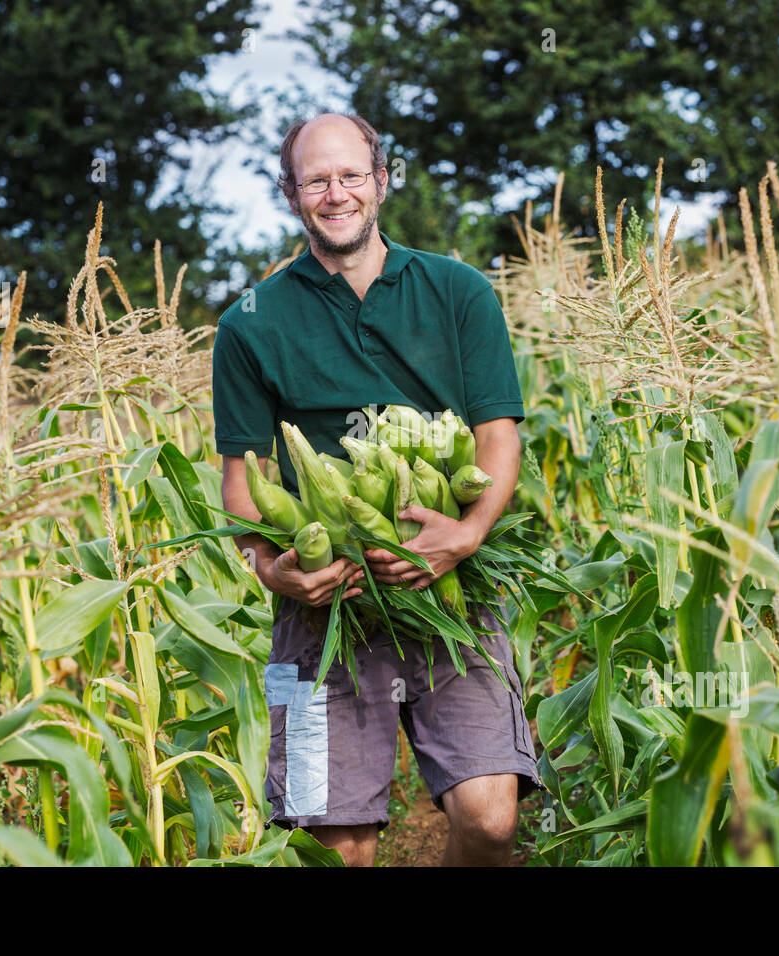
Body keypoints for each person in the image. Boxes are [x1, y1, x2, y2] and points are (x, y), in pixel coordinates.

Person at [212, 112, 542, 866]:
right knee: (338, 852)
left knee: (491, 821)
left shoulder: (458, 292)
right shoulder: (250, 323)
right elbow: (242, 480)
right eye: (317, 180)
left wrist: (465, 533)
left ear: (382, 180)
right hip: (323, 612)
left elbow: (497, 435)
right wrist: (275, 570)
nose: (336, 193)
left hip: (453, 581)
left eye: (351, 175)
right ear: (291, 193)